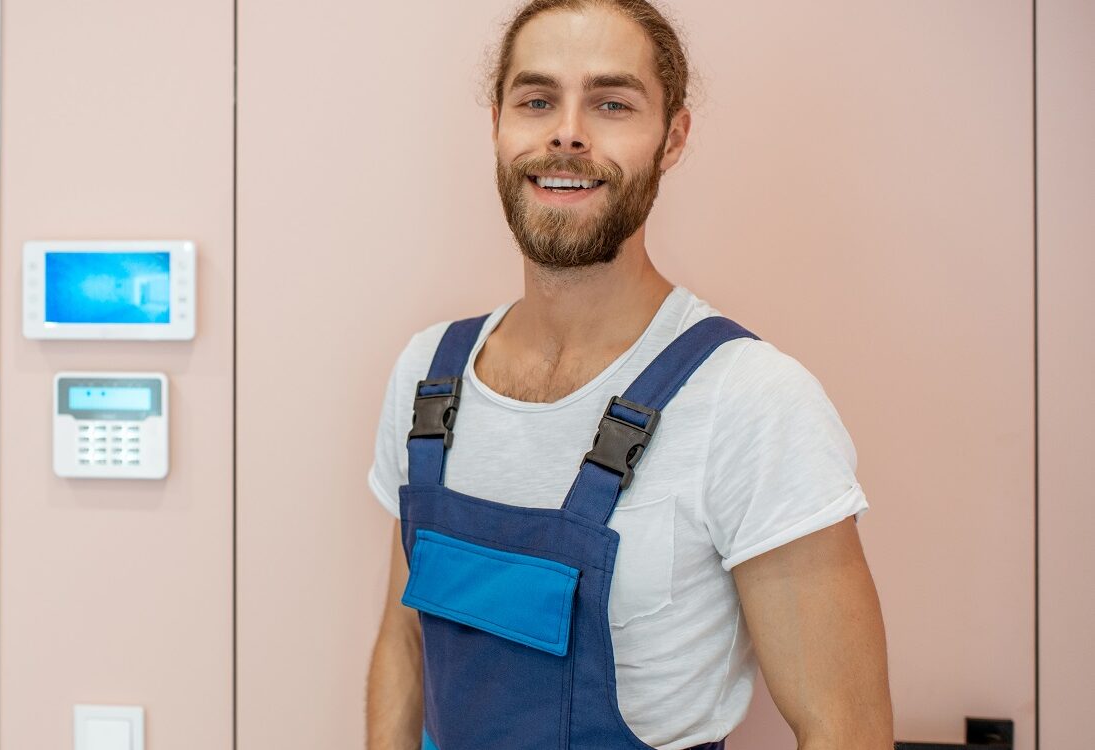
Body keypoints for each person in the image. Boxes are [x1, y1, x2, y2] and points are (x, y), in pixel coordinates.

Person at [363, 1, 893, 748]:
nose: (567, 131)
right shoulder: (428, 380)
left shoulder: (750, 401)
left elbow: (846, 729)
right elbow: (405, 642)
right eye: (537, 100)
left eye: (612, 103)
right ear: (497, 126)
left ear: (672, 138)